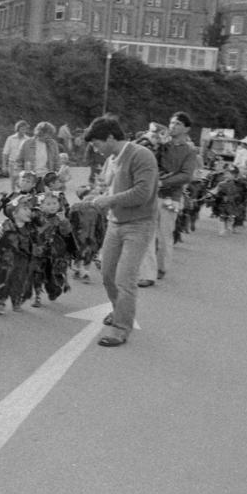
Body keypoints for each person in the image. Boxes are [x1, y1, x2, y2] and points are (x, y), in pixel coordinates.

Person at [81, 115, 158, 347]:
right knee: (107, 274)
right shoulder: (112, 159)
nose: (96, 150)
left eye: (97, 144)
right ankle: (118, 310)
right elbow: (107, 186)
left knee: (125, 279)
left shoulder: (141, 155)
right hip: (116, 223)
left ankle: (122, 327)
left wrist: (110, 200)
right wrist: (94, 194)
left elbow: (143, 192)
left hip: (139, 224)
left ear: (111, 137)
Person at [138, 112, 197, 287]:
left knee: (164, 235)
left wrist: (163, 182)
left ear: (186, 128)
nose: (172, 127)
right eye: (171, 123)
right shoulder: (161, 145)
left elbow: (186, 175)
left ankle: (161, 267)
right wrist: (152, 141)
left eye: (178, 124)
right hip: (153, 195)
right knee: (148, 233)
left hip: (172, 197)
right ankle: (148, 274)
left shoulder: (189, 151)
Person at [0, 194, 37, 315]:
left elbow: (35, 243)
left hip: (22, 262)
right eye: (25, 209)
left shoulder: (30, 228)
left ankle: (16, 301)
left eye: (29, 209)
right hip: (4, 261)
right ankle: (1, 302)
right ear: (14, 213)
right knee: (1, 281)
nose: (29, 211)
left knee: (19, 281)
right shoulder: (5, 226)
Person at [31, 191, 73, 307]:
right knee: (37, 273)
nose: (53, 206)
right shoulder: (37, 218)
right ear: (41, 206)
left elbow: (67, 232)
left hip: (55, 253)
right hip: (39, 251)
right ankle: (37, 296)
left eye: (55, 203)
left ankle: (54, 290)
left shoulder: (60, 218)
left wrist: (64, 221)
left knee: (53, 275)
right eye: (48, 204)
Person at [2, 120, 30, 190]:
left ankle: (21, 196)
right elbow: (5, 153)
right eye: (22, 129)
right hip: (12, 163)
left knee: (21, 183)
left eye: (25, 129)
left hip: (22, 164)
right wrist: (4, 165)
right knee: (13, 183)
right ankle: (13, 197)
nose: (24, 130)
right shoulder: (10, 138)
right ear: (18, 128)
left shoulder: (28, 140)